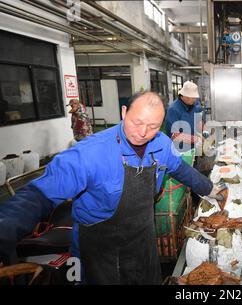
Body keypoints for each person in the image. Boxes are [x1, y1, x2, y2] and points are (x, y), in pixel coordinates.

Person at [0, 91, 224, 284]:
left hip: (142, 244)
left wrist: (210, 189)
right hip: (98, 251)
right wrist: (7, 226)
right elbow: (39, 194)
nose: (143, 132)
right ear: (124, 112)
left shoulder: (161, 144)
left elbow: (181, 170)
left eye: (153, 126)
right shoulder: (91, 152)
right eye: (137, 122)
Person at [164, 81, 208, 148]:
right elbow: (175, 136)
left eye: (195, 97)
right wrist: (195, 139)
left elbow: (199, 121)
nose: (195, 100)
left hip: (193, 147)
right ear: (184, 96)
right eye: (192, 97)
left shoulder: (193, 105)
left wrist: (204, 131)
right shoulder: (173, 110)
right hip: (181, 150)